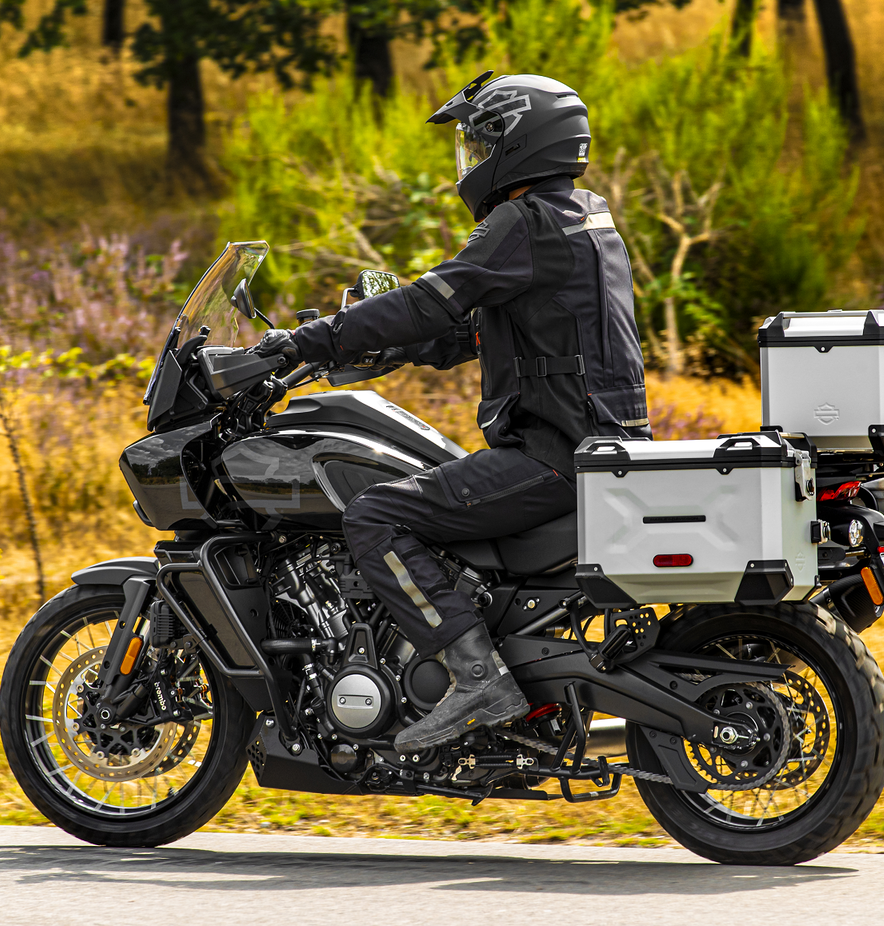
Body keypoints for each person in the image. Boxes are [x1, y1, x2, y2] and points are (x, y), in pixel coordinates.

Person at [252, 71, 651, 753]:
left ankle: (474, 677)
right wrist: (389, 349)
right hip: (596, 443)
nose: (468, 161)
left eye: (478, 143)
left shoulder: (521, 222)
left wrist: (304, 340)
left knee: (376, 513)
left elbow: (436, 297)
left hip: (553, 454)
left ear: (516, 142)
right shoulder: (581, 214)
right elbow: (487, 325)